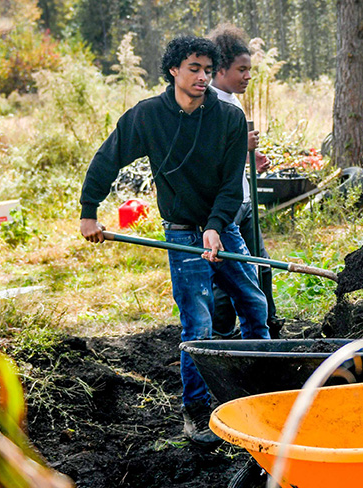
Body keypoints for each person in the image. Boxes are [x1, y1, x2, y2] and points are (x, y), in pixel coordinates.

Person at [78, 36, 269, 448]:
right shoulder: (148, 117)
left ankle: (266, 389)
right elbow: (107, 159)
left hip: (223, 226)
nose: (202, 77)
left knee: (254, 304)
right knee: (197, 323)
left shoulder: (229, 118)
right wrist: (89, 211)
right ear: (173, 70)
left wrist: (217, 226)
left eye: (206, 69)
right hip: (181, 232)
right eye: (194, 68)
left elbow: (230, 186)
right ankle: (196, 412)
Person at [207, 24, 277, 338]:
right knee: (228, 277)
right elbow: (204, 158)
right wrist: (239, 146)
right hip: (224, 208)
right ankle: (222, 338)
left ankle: (268, 328)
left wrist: (251, 161)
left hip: (244, 200)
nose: (248, 76)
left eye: (250, 69)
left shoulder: (232, 100)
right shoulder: (208, 103)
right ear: (220, 69)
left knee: (261, 267)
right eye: (241, 70)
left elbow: (231, 158)